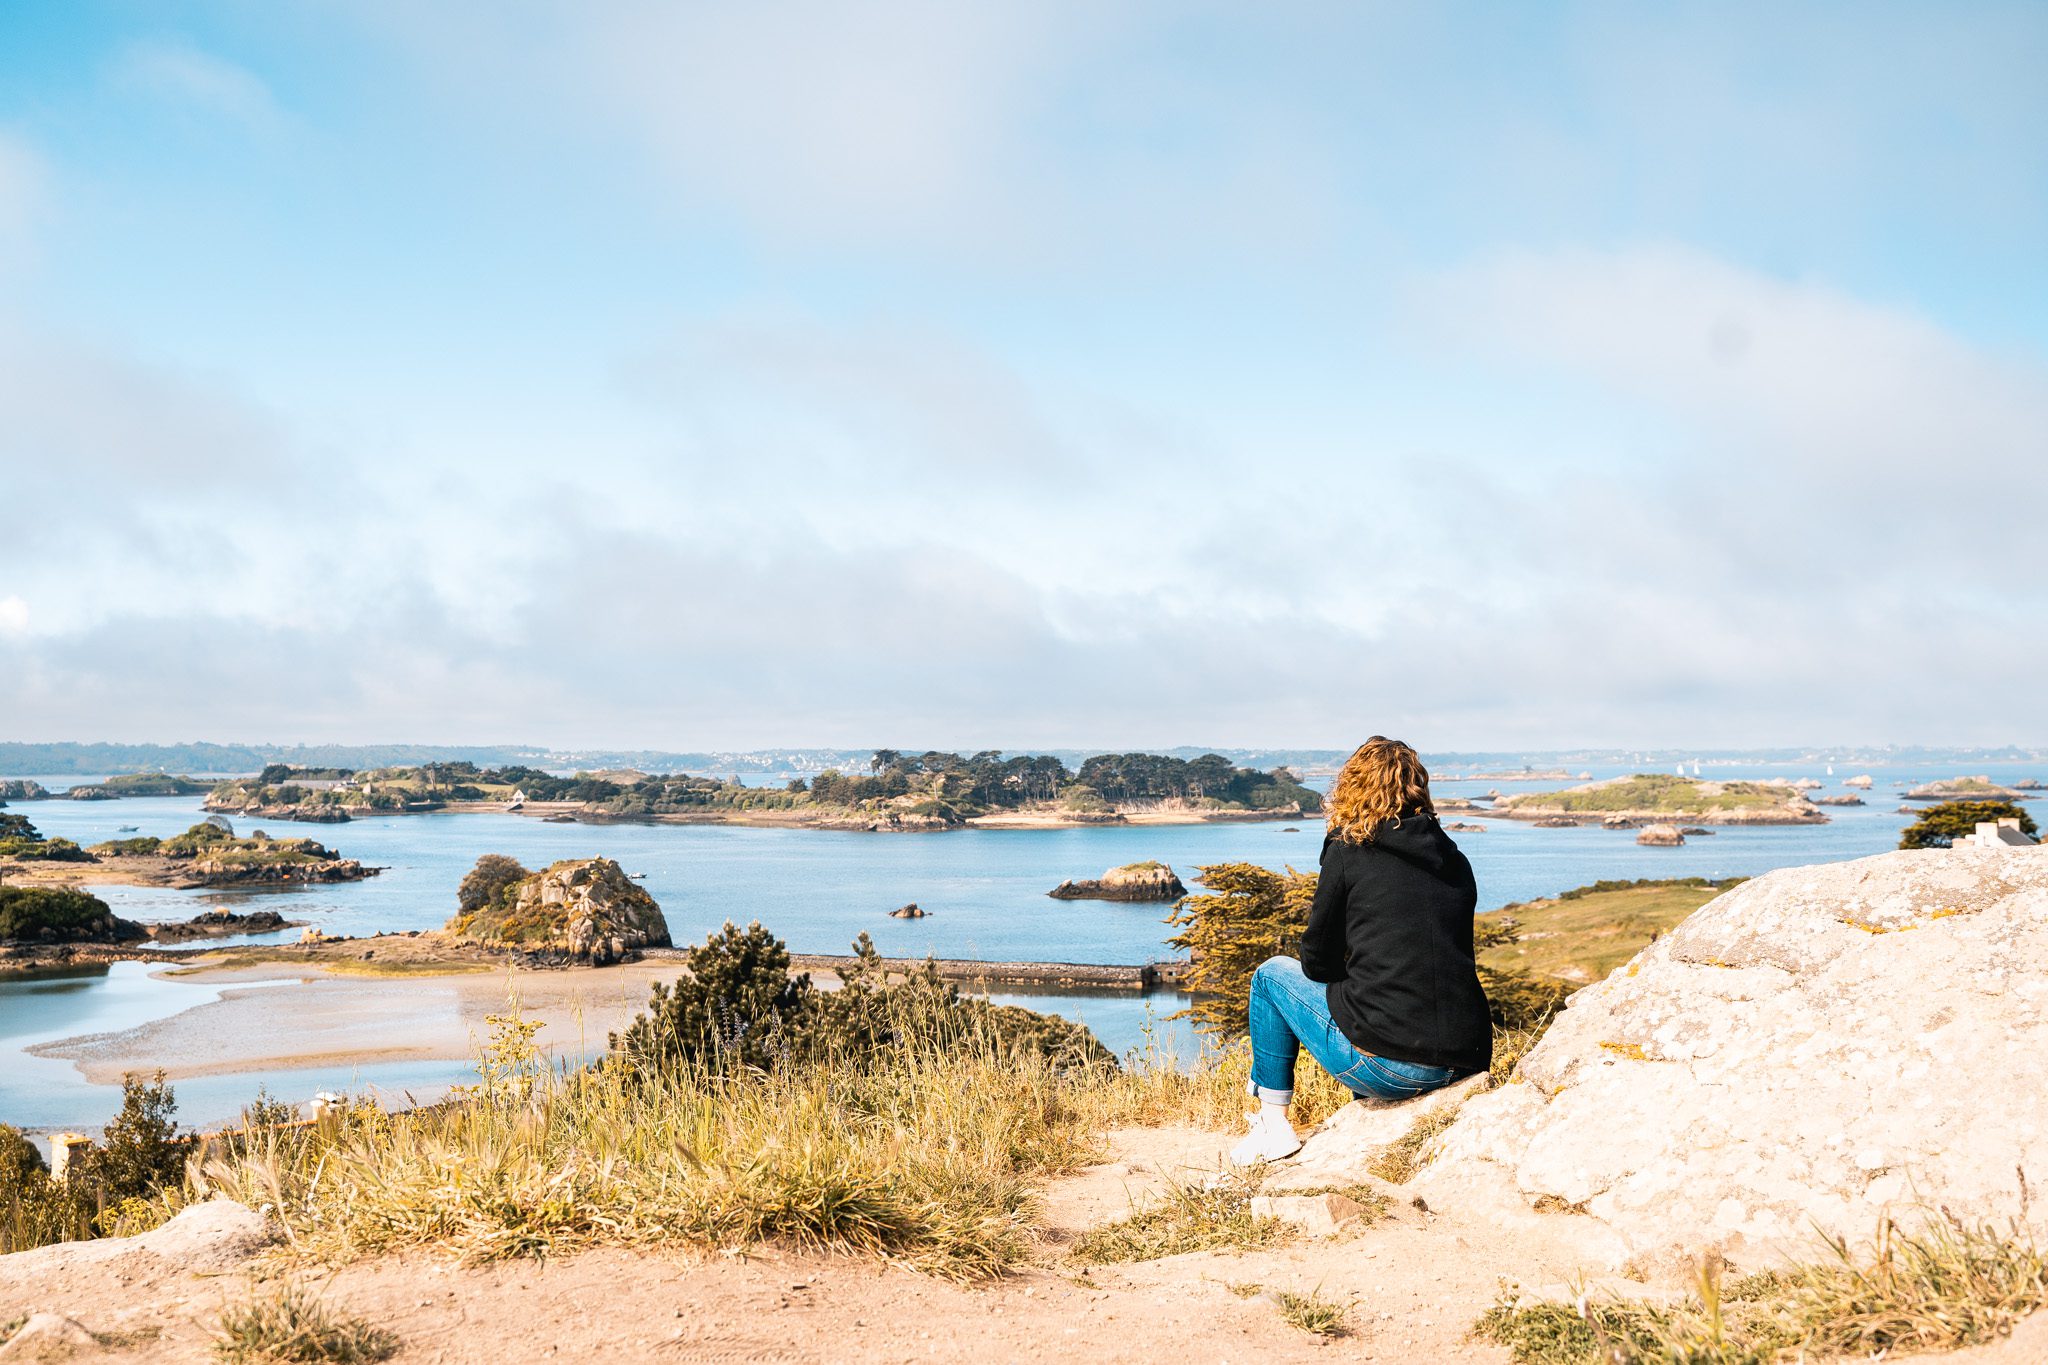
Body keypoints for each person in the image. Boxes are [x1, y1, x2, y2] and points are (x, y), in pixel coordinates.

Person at [1230, 736, 1493, 1166]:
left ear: (1351, 787)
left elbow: (1316, 962)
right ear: (1418, 789)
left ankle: (1272, 1124)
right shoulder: (1455, 858)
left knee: (1270, 975)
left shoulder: (1350, 851)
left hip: (1394, 1069)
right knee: (1372, 1002)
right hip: (1467, 1057)